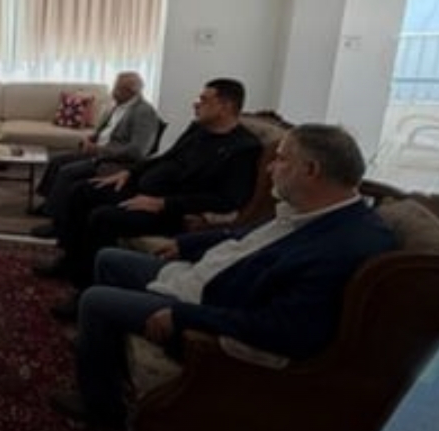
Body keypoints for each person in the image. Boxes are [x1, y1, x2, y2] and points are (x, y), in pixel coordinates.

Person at [49, 124, 397, 430]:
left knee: (95, 301)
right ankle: (104, 355)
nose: (270, 168)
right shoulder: (315, 211)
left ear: (311, 170)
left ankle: (102, 409)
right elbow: (243, 236)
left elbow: (284, 330)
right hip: (206, 277)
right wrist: (185, 245)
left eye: (281, 159)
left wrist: (183, 315)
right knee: (109, 260)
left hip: (210, 307)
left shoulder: (343, 246)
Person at [35, 79, 263, 298]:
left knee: (102, 217)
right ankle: (69, 260)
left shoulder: (244, 148)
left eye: (203, 99)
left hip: (172, 210)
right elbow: (166, 157)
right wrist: (130, 172)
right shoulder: (198, 129)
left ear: (225, 106)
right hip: (145, 192)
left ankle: (86, 286)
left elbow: (227, 199)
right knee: (81, 191)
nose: (196, 103)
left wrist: (163, 203)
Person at [31, 71, 160, 222]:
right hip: (97, 151)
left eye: (117, 88)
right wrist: (90, 139)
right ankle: (49, 204)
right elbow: (105, 130)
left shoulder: (144, 112)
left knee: (66, 172)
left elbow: (137, 150)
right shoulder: (119, 106)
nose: (113, 92)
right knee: (56, 161)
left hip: (112, 160)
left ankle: (57, 218)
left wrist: (99, 150)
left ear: (130, 91)